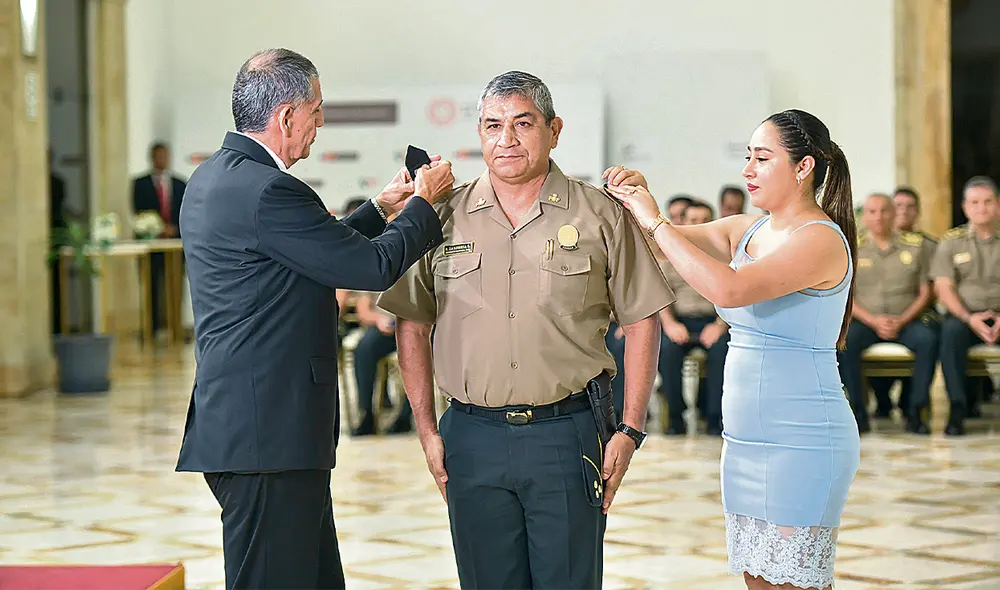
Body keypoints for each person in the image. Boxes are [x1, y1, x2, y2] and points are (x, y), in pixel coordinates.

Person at [377, 71, 675, 589]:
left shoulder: (601, 213)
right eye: (493, 125)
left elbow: (642, 320)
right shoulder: (438, 217)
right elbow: (411, 323)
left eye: (523, 123)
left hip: (567, 435)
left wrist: (629, 429)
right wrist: (426, 429)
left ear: (554, 130)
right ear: (478, 132)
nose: (506, 139)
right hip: (471, 437)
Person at [175, 48, 454, 590]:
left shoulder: (216, 177)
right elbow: (371, 267)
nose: (321, 124)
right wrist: (424, 202)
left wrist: (381, 207)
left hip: (255, 428)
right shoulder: (270, 190)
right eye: (317, 111)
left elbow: (308, 252)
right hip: (268, 435)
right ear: (285, 116)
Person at [607, 108, 860, 590]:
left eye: (762, 158)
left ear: (803, 167)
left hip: (802, 438)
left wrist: (656, 219)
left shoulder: (822, 240)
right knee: (759, 581)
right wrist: (635, 199)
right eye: (748, 157)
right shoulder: (744, 228)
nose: (747, 169)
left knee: (796, 582)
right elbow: (659, 244)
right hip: (744, 440)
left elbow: (728, 290)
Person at [838, 193, 937, 434]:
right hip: (866, 320)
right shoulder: (851, 246)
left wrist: (902, 320)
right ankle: (858, 412)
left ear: (894, 214)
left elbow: (926, 292)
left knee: (928, 340)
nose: (879, 217)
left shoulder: (916, 246)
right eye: (872, 212)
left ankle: (916, 411)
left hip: (907, 320)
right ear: (864, 216)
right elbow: (845, 294)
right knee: (845, 342)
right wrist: (873, 320)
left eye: (885, 211)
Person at [930, 176, 1000, 436]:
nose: (981, 208)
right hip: (965, 318)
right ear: (965, 207)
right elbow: (944, 287)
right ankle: (958, 408)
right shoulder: (951, 241)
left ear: (998, 205)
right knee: (949, 334)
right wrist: (969, 318)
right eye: (975, 202)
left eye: (987, 202)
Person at [658, 200, 729, 436]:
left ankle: (713, 418)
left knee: (724, 350)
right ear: (684, 224)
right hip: (680, 321)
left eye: (705, 221)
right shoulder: (668, 256)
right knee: (666, 350)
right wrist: (669, 324)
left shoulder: (725, 256)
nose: (699, 226)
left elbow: (734, 295)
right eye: (693, 221)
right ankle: (675, 418)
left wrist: (720, 325)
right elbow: (660, 296)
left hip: (715, 320)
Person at [133, 142, 188, 333]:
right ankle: (151, 327)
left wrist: (174, 229)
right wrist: (156, 229)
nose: (162, 159)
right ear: (152, 158)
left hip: (175, 244)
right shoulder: (140, 184)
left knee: (175, 288)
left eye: (165, 155)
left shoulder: (180, 184)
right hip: (151, 245)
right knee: (151, 286)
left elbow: (186, 213)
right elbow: (138, 213)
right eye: (159, 156)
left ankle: (176, 328)